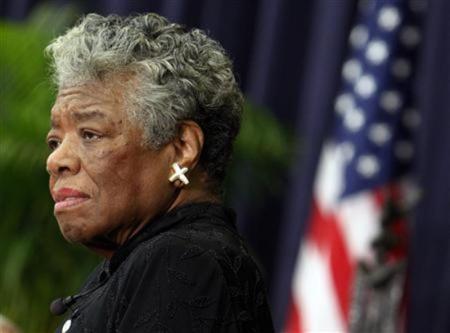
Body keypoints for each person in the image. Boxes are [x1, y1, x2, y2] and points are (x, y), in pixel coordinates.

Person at [45, 12, 274, 333]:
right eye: (54, 140)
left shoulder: (183, 262)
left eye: (90, 134)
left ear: (182, 147)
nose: (56, 160)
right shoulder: (144, 260)